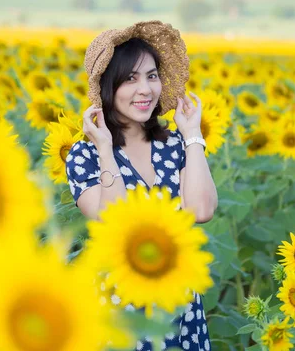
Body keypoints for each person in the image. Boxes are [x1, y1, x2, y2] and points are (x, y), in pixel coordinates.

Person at [66, 21, 217, 350]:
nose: (145, 89)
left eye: (151, 76)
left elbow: (202, 210)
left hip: (178, 302)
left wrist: (192, 135)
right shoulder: (85, 155)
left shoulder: (174, 146)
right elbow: (114, 219)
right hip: (119, 308)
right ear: (108, 87)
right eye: (130, 79)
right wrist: (105, 149)